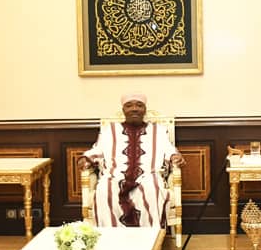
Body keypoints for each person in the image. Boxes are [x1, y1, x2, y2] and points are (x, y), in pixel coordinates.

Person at [78, 92, 185, 227]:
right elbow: (97, 150)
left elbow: (168, 149)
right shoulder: (109, 130)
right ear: (123, 110)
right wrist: (86, 158)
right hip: (114, 176)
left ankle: (149, 238)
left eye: (139, 105)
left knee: (153, 190)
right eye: (129, 106)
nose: (134, 109)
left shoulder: (158, 130)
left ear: (145, 109)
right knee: (104, 190)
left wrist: (174, 156)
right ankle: (112, 237)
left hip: (148, 176)